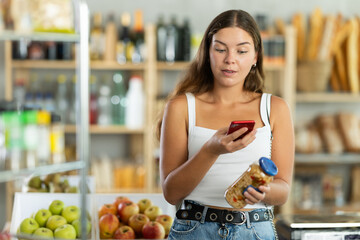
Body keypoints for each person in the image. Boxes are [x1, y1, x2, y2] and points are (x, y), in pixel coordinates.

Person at [158, 9, 294, 240]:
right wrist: (211, 150)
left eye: (241, 51)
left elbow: (283, 191)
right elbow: (171, 193)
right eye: (220, 49)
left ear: (255, 57)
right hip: (195, 230)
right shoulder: (181, 107)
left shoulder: (275, 108)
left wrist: (264, 192)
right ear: (207, 52)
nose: (230, 59)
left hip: (255, 231)